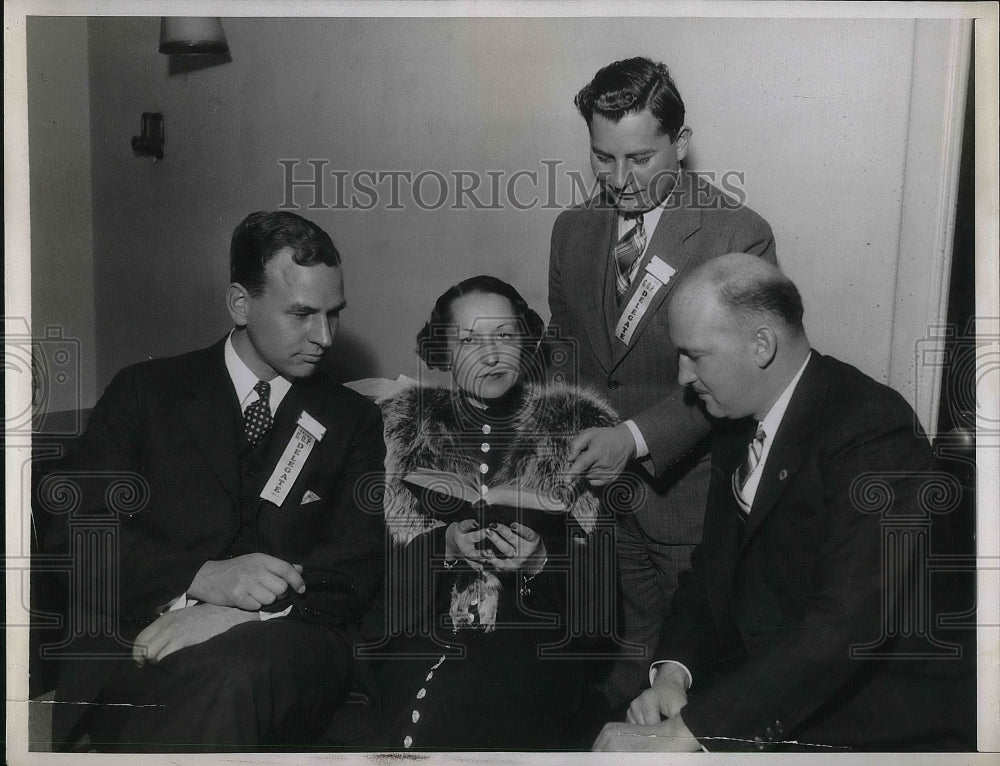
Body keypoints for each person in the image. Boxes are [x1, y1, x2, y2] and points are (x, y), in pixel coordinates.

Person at [594, 253, 974, 752]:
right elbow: (713, 569)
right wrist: (673, 674)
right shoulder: (737, 417)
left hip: (874, 720)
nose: (683, 377)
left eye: (695, 355)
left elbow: (845, 625)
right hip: (773, 691)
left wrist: (692, 732)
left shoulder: (871, 427)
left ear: (762, 345)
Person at [46, 211, 386, 752]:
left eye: (333, 314)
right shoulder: (144, 391)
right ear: (239, 304)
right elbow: (76, 536)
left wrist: (237, 610)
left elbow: (358, 561)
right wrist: (199, 579)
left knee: (231, 678)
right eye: (301, 314)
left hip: (289, 645)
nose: (324, 337)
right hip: (143, 639)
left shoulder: (352, 420)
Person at [548, 56, 777, 709]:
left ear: (680, 144)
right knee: (623, 661)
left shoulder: (737, 234)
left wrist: (633, 437)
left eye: (641, 160)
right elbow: (567, 342)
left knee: (695, 675)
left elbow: (741, 378)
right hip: (604, 498)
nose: (619, 181)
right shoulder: (571, 232)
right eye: (602, 158)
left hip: (692, 504)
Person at [371, 275, 619, 750]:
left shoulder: (576, 433)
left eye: (505, 336)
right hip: (423, 637)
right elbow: (373, 587)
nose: (492, 355)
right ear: (440, 350)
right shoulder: (398, 432)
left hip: (537, 647)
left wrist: (541, 562)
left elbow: (601, 618)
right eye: (468, 340)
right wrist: (441, 548)